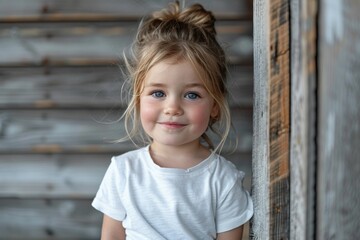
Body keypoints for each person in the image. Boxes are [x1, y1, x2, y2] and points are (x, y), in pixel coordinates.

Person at [92, 1, 253, 239]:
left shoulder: (223, 180)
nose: (173, 108)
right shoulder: (124, 172)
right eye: (158, 93)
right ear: (138, 99)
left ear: (215, 107)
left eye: (192, 95)